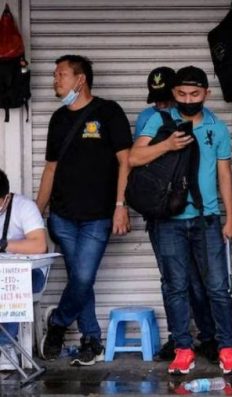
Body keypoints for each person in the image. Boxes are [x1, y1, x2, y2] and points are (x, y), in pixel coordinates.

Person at [129, 66, 232, 376]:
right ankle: (182, 348)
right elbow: (133, 159)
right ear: (173, 94)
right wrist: (166, 145)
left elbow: (224, 174)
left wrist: (229, 219)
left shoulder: (217, 128)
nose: (188, 99)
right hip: (168, 220)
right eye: (181, 94)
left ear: (206, 93)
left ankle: (227, 348)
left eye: (194, 94)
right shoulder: (159, 120)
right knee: (175, 286)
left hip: (207, 219)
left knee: (218, 287)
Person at [36, 55, 132, 367]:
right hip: (62, 216)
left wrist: (121, 205)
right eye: (54, 75)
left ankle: (59, 324)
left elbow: (125, 161)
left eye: (61, 75)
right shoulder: (58, 119)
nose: (55, 81)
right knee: (81, 277)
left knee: (82, 276)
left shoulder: (109, 112)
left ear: (81, 80)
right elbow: (51, 169)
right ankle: (91, 339)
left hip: (98, 215)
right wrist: (37, 212)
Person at [0, 170, 49, 371]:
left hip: (29, 273)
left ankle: (5, 345)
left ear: (5, 198)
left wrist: (3, 244)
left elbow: (39, 246)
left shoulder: (24, 208)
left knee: (10, 286)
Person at [134, 66, 176, 136]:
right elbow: (138, 146)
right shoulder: (145, 116)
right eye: (157, 100)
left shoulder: (185, 113)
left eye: (166, 100)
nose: (162, 106)